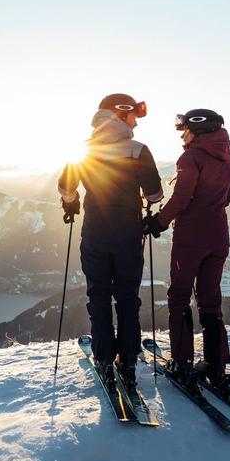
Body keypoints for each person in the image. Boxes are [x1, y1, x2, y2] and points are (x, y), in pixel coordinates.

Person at [59, 93, 163, 391]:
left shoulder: (84, 150)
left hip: (94, 234)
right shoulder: (137, 149)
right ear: (121, 114)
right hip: (128, 235)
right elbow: (155, 194)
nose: (136, 124)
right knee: (128, 298)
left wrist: (71, 203)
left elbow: (66, 187)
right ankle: (128, 360)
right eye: (133, 117)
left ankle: (104, 358)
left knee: (99, 297)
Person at [142, 109, 230, 395]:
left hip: (191, 239)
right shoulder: (227, 162)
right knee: (210, 301)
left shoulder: (190, 158)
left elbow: (181, 199)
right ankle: (216, 366)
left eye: (184, 130)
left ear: (198, 130)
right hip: (219, 237)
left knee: (180, 297)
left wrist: (157, 222)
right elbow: (227, 199)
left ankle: (182, 363)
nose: (182, 135)